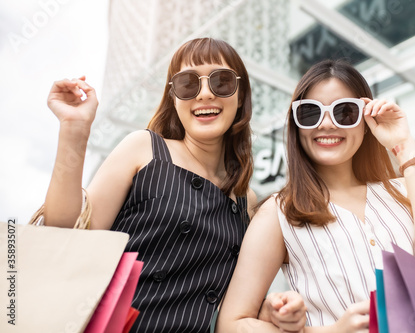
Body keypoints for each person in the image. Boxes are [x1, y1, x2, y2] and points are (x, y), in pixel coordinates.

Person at [40, 37, 305, 333]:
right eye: (188, 84)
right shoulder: (144, 149)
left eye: (222, 82)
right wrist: (74, 131)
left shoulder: (247, 200)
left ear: (241, 96)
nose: (205, 94)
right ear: (173, 97)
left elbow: (236, 305)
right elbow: (65, 236)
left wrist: (270, 309)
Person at [216, 59, 415, 332]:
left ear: (365, 121)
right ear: (296, 125)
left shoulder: (405, 190)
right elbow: (231, 324)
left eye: (345, 112)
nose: (326, 124)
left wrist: (404, 146)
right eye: (311, 113)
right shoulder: (279, 213)